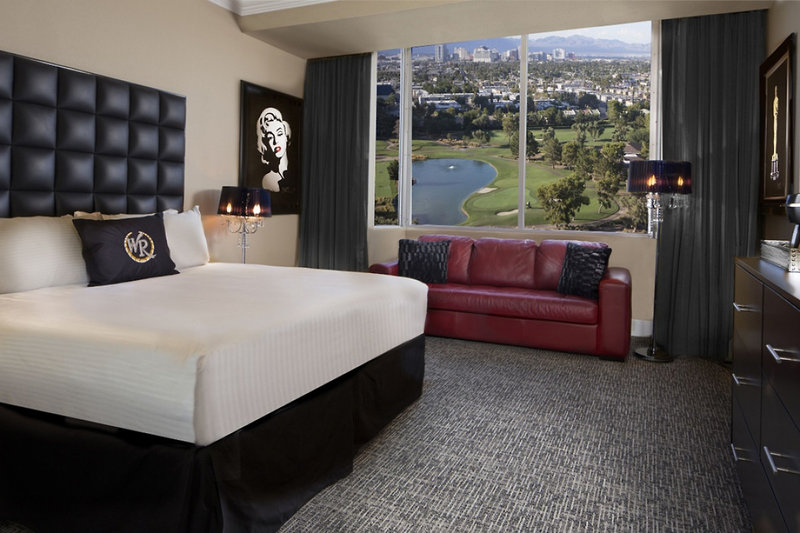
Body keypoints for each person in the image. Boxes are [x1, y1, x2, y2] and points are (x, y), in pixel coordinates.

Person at [256, 107, 292, 192]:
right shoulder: (268, 179)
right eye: (270, 137)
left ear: (286, 136)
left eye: (279, 134)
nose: (276, 141)